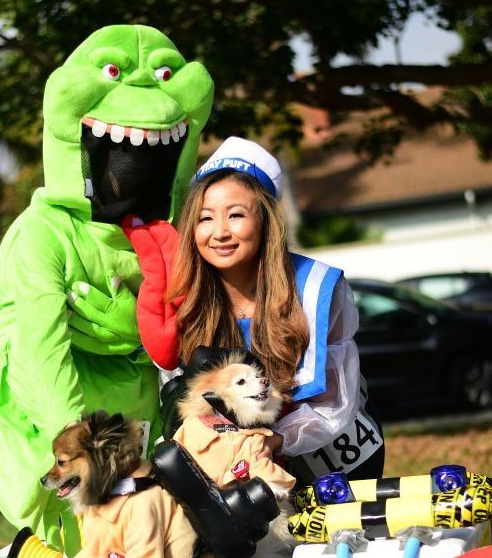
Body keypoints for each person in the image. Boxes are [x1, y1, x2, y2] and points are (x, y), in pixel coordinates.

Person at [0, 24, 214, 554]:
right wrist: (72, 440)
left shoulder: (175, 228)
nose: (149, 95)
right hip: (53, 412)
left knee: (145, 539)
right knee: (75, 544)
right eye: (118, 74)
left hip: (134, 404)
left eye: (165, 77)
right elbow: (41, 344)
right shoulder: (43, 231)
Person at [126, 137, 385, 483]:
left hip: (336, 461)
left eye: (235, 215)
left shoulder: (315, 288)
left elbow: (337, 401)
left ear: (264, 220)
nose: (219, 232)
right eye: (205, 218)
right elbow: (181, 398)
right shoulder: (184, 300)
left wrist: (277, 439)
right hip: (243, 471)